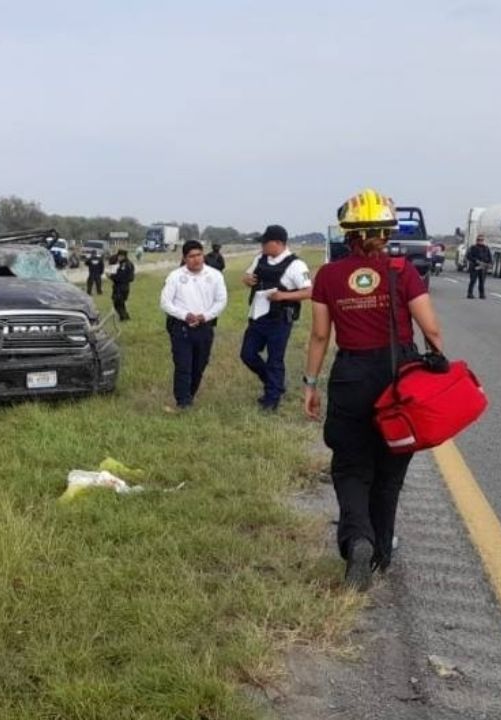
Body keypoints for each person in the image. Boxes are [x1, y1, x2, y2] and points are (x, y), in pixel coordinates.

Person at [304, 189, 446, 591]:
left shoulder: (329, 275)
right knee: (390, 468)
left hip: (351, 376)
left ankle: (357, 541)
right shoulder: (403, 271)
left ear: (347, 232)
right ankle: (381, 551)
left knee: (350, 466)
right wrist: (437, 359)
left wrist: (310, 385)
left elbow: (318, 335)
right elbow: (430, 328)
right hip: (398, 378)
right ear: (387, 231)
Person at [240, 225, 313, 412]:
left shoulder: (296, 265)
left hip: (279, 320)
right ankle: (275, 384)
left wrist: (283, 296)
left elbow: (309, 291)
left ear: (278, 243)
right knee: (247, 354)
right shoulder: (260, 259)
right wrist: (247, 280)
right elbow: (247, 276)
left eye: (265, 243)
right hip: (257, 316)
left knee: (275, 359)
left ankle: (271, 400)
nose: (262, 246)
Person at [160, 240, 228, 410]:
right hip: (182, 327)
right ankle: (183, 402)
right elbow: (165, 303)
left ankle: (189, 394)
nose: (196, 259)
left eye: (199, 255)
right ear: (184, 258)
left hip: (205, 326)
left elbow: (221, 301)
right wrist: (185, 315)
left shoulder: (215, 275)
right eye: (191, 256)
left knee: (199, 365)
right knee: (183, 365)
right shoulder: (175, 276)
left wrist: (206, 316)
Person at [109, 250, 135, 321]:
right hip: (125, 287)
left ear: (123, 256)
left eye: (119, 256)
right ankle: (125, 317)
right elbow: (131, 278)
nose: (118, 257)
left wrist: (111, 276)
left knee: (117, 303)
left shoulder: (123, 265)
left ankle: (123, 317)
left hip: (120, 287)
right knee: (121, 303)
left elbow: (120, 277)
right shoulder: (129, 264)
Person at [466, 235, 493, 299]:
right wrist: (476, 261)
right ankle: (470, 294)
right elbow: (468, 256)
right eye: (479, 240)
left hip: (483, 267)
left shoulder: (486, 248)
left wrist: (490, 263)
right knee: (473, 281)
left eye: (481, 240)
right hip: (474, 267)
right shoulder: (473, 247)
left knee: (482, 281)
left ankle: (482, 294)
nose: (480, 241)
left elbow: (490, 257)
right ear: (476, 240)